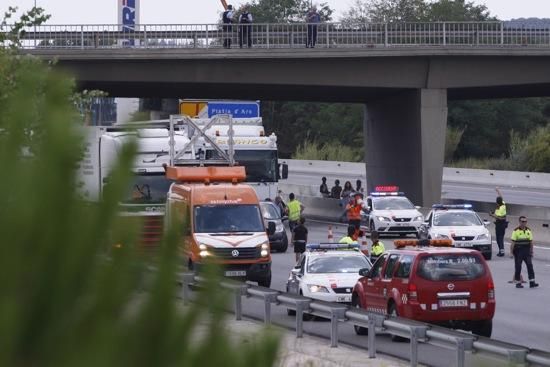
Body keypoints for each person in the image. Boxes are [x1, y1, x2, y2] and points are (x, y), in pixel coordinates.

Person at [511, 216, 539, 288]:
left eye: (525, 221)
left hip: (527, 251)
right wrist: (511, 252)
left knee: (530, 265)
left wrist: (531, 251)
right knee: (518, 266)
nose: (524, 223)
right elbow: (513, 243)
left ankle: (532, 282)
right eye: (522, 221)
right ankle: (518, 283)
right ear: (519, 222)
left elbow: (531, 242)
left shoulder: (528, 230)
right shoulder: (516, 231)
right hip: (518, 251)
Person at [490, 187, 507, 257]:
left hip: (500, 225)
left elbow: (499, 218)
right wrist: (497, 190)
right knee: (500, 238)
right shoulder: (503, 205)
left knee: (499, 238)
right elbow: (501, 197)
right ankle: (501, 250)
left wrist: (492, 215)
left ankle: (501, 251)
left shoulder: (500, 209)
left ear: (497, 203)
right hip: (503, 225)